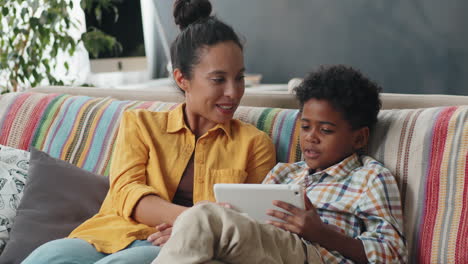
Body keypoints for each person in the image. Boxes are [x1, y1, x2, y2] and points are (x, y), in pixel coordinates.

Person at [22, 0, 276, 263]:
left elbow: (250, 226)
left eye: (239, 78)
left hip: (176, 248)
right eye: (218, 79)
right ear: (182, 79)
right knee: (45, 256)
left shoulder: (254, 144)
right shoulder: (140, 124)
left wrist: (193, 233)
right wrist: (190, 221)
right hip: (109, 234)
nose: (233, 92)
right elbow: (126, 192)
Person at [152, 65, 408, 264]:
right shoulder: (285, 172)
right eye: (305, 126)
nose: (310, 137)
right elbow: (248, 227)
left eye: (326, 130)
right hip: (261, 252)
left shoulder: (370, 177)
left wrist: (319, 232)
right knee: (203, 222)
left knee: (203, 216)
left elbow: (392, 254)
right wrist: (188, 232)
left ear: (359, 138)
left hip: (314, 256)